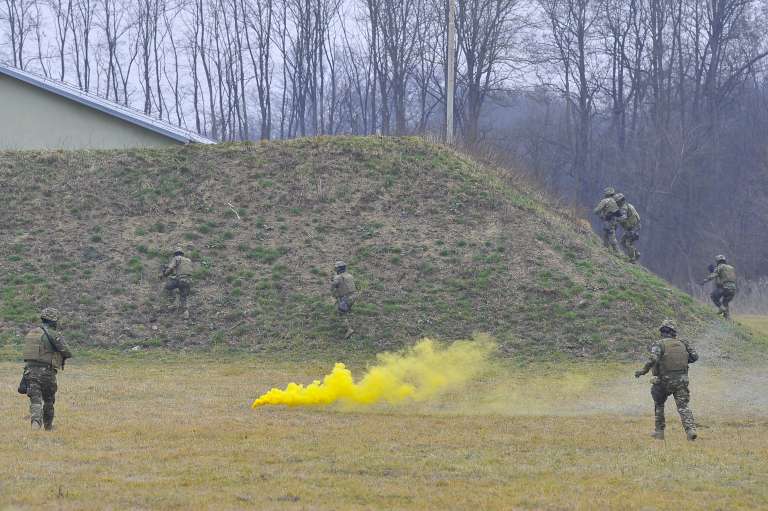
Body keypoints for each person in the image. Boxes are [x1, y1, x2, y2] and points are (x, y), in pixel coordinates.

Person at [635, 320, 698, 441]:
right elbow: (694, 357)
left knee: (659, 404)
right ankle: (690, 430)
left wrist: (642, 371)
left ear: (662, 332)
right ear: (674, 332)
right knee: (683, 406)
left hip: (664, 381)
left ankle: (659, 432)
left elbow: (652, 360)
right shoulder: (683, 343)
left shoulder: (658, 344)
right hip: (682, 381)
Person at [21, 307, 73, 431]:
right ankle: (48, 427)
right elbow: (67, 352)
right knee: (49, 400)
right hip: (46, 372)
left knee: (35, 400)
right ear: (53, 321)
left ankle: (35, 424)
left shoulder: (32, 333)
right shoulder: (53, 334)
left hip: (29, 371)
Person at [701, 255, 737, 319]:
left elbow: (714, 275)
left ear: (717, 261)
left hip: (726, 288)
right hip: (733, 289)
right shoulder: (731, 268)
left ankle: (721, 309)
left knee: (713, 295)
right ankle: (727, 318)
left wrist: (705, 280)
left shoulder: (720, 267)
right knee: (725, 302)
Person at [162, 246, 193, 319]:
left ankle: (173, 303)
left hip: (180, 279)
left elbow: (170, 268)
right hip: (188, 281)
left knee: (167, 286)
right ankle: (186, 313)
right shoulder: (188, 260)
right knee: (183, 296)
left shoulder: (176, 258)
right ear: (182, 254)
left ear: (175, 254)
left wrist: (165, 274)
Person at [330, 261, 357, 339]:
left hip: (346, 298)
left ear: (338, 269)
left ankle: (349, 329)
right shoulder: (350, 275)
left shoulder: (338, 277)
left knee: (341, 313)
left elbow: (332, 287)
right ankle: (349, 322)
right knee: (346, 310)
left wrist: (333, 279)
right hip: (353, 296)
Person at [614, 193, 641, 262]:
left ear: (620, 201)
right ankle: (636, 253)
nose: (616, 203)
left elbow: (624, 217)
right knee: (623, 242)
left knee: (628, 243)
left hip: (631, 228)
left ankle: (632, 259)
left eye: (617, 201)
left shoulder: (623, 208)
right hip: (635, 226)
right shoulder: (629, 205)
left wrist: (616, 219)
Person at [593, 187, 620, 252]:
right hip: (614, 221)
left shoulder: (605, 201)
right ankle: (606, 249)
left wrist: (600, 214)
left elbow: (596, 210)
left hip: (608, 221)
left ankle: (617, 252)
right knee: (607, 235)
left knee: (611, 236)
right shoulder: (614, 201)